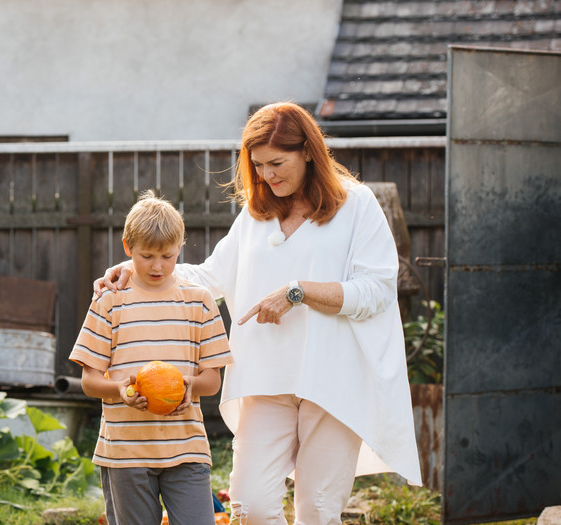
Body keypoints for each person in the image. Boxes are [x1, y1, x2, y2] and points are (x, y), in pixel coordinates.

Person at [95, 102, 422, 524]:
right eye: (259, 165)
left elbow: (376, 291)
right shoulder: (255, 214)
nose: (267, 175)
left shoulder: (355, 205)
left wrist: (297, 292)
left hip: (335, 381)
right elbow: (211, 278)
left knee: (317, 511)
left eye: (277, 162)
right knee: (250, 506)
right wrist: (131, 270)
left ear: (308, 151)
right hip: (265, 377)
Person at [70, 190, 233, 525]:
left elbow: (212, 380)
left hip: (186, 449)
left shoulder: (199, 302)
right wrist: (120, 392)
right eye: (146, 256)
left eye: (168, 256)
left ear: (180, 248)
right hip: (125, 452)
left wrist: (190, 385)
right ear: (128, 248)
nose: (158, 266)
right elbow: (89, 380)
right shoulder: (109, 302)